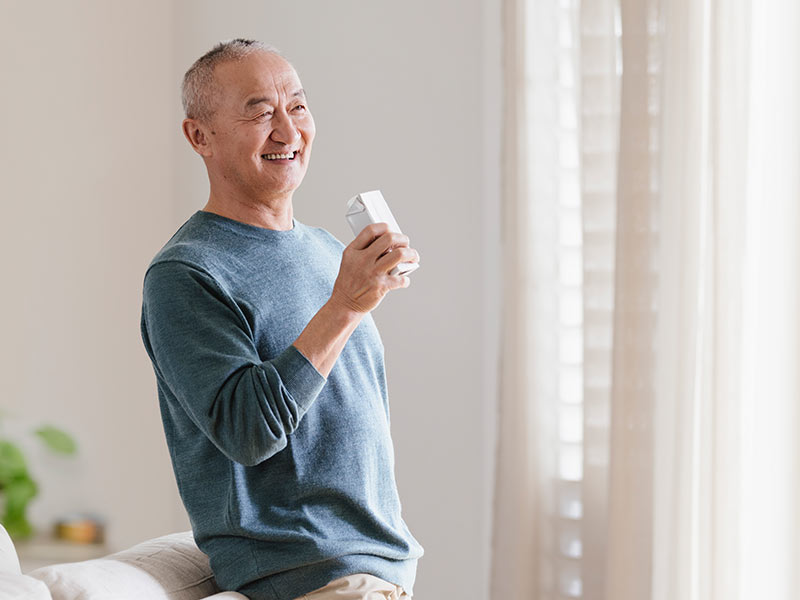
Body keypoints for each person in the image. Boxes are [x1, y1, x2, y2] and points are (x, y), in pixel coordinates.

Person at [139, 39, 423, 600]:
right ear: (200, 136)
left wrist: (353, 296)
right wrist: (344, 306)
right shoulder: (185, 273)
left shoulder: (322, 249)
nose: (288, 132)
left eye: (296, 106)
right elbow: (249, 431)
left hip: (380, 566)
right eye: (259, 112)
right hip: (310, 574)